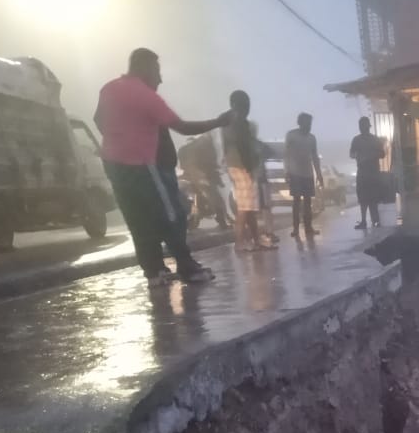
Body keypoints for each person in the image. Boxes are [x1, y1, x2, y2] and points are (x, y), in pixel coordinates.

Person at [94, 48, 231, 286]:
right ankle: (187, 267)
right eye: (157, 71)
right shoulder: (146, 96)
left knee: (138, 219)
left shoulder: (109, 89)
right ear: (145, 68)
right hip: (143, 166)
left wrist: (118, 139)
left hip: (114, 166)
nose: (160, 78)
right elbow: (182, 127)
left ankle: (155, 272)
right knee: (172, 215)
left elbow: (98, 119)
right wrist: (219, 121)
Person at [222, 90, 273, 253]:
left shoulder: (226, 120)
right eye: (247, 104)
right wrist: (249, 168)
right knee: (244, 207)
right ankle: (240, 243)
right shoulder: (238, 121)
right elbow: (243, 146)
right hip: (242, 166)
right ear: (239, 105)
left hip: (235, 164)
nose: (248, 108)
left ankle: (256, 240)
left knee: (249, 206)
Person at [285, 112, 322, 240]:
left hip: (307, 173)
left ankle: (308, 227)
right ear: (300, 123)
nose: (309, 126)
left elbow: (315, 157)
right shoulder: (291, 136)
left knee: (307, 202)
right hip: (295, 173)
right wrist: (287, 171)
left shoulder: (312, 138)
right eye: (306, 123)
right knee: (296, 202)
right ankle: (295, 228)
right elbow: (286, 155)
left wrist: (319, 175)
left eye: (310, 124)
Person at [350, 116, 385, 230]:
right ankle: (367, 221)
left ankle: (375, 220)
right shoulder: (357, 140)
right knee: (364, 198)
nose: (363, 128)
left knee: (372, 197)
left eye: (364, 126)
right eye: (362, 126)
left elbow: (382, 154)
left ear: (367, 127)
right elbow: (351, 154)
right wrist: (359, 156)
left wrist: (370, 156)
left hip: (372, 172)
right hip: (364, 172)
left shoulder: (374, 139)